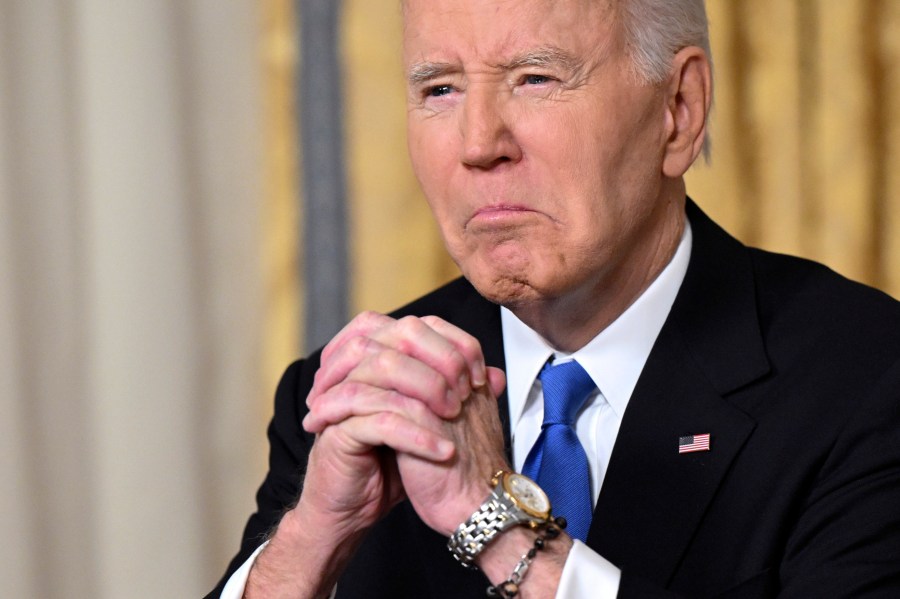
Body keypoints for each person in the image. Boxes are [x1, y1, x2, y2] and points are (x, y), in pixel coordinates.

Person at [208, 0, 900, 597]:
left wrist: (501, 532)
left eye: (534, 78)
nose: (478, 144)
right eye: (440, 90)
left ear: (679, 109)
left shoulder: (864, 376)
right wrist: (307, 544)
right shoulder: (351, 391)